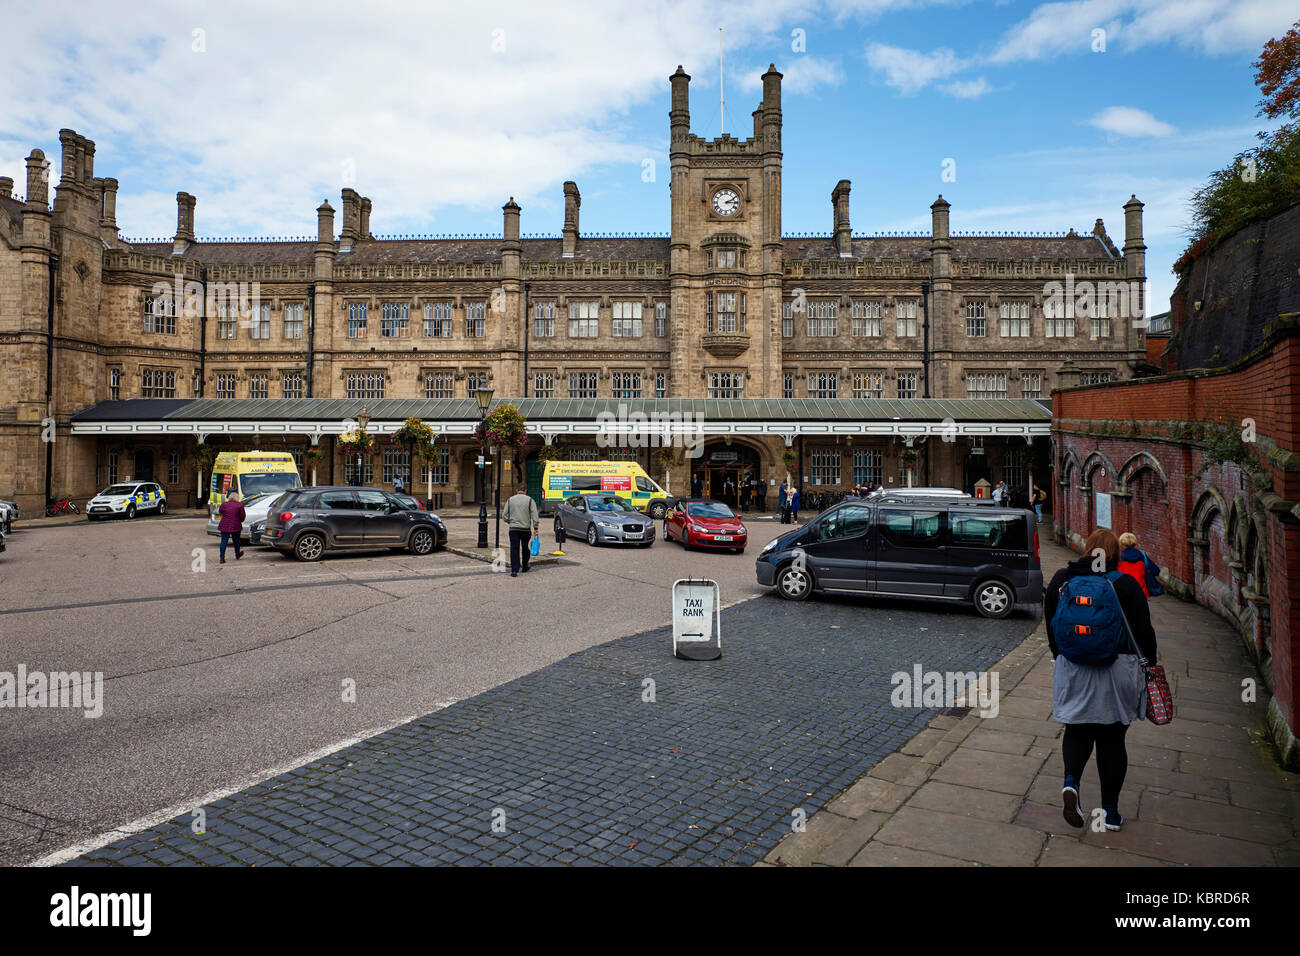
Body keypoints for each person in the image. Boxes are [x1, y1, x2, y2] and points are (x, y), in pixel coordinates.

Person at [1045, 528, 1157, 832]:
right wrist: (1150, 665)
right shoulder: (1126, 584)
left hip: (1073, 666)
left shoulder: (1061, 580)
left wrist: (1062, 656)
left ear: (1086, 550)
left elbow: (1051, 624)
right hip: (1117, 669)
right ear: (1115, 554)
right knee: (1112, 739)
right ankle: (1109, 813)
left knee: (1076, 729)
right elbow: (1144, 632)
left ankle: (1071, 784)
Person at [502, 483, 540, 577]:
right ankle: (524, 566)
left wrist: (510, 522)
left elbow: (504, 515)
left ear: (516, 490)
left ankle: (514, 570)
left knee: (514, 548)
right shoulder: (530, 500)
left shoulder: (510, 500)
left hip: (513, 529)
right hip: (525, 529)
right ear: (525, 491)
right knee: (525, 547)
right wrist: (535, 527)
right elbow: (535, 516)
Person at [1118, 531, 1164, 598]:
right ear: (1135, 543)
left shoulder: (1119, 558)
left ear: (1121, 544)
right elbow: (1156, 571)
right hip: (1141, 592)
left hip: (1124, 592)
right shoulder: (1143, 557)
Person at [217, 491, 246, 564]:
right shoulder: (239, 505)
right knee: (236, 541)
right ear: (237, 497)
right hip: (235, 525)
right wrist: (240, 520)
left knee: (223, 542)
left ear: (229, 497)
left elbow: (220, 511)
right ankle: (237, 555)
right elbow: (242, 516)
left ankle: (222, 557)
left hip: (224, 525)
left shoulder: (224, 504)